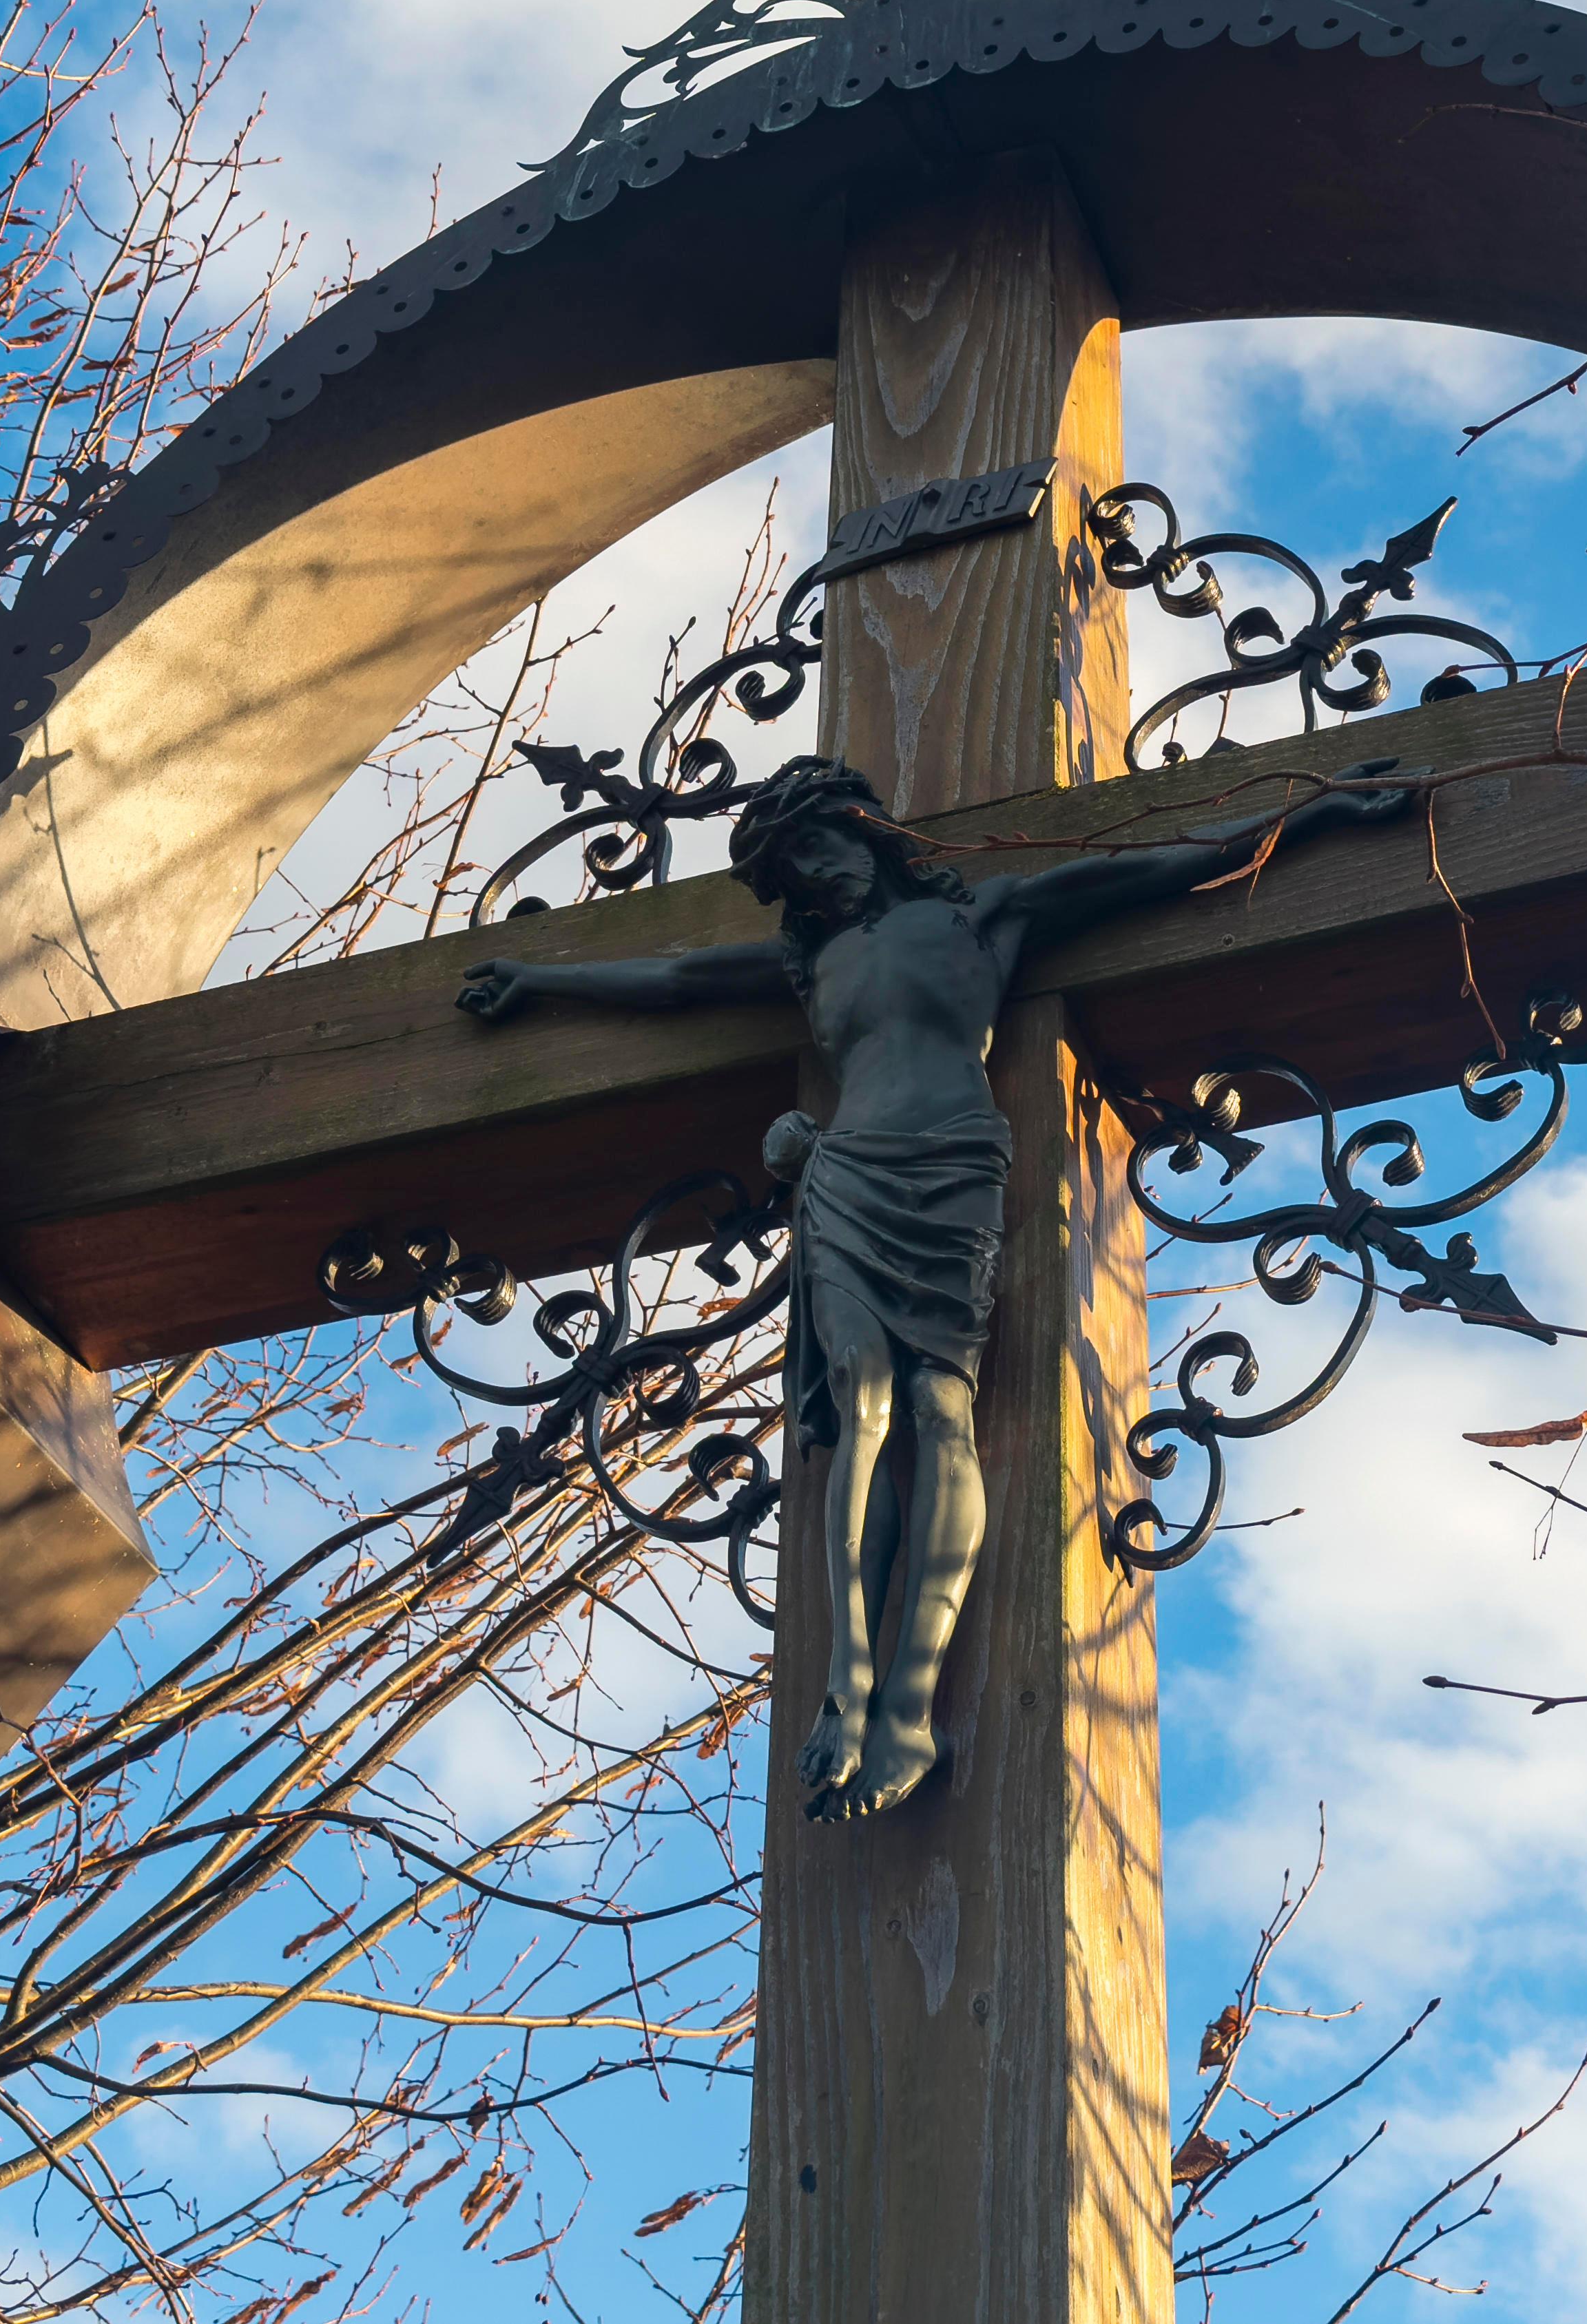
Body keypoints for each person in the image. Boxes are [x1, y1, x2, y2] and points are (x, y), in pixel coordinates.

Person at [455, 753, 1407, 1821]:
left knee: (936, 1408)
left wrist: (1315, 813)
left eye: (820, 852)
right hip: (848, 1176)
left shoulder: (984, 916)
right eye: (796, 877)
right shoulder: (813, 965)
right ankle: (846, 1685)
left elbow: (1161, 868)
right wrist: (542, 981)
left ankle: (909, 1706)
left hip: (950, 1165)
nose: (818, 882)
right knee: (858, 1412)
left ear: (862, 829)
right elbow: (675, 983)